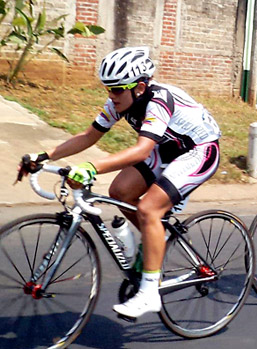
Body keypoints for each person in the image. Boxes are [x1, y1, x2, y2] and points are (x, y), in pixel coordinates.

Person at [18, 46, 221, 319]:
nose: (110, 96)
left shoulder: (159, 100)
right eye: (107, 89)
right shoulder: (120, 101)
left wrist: (92, 166)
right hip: (167, 148)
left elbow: (141, 150)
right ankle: (155, 237)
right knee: (120, 192)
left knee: (149, 209)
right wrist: (43, 156)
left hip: (198, 150)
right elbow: (89, 136)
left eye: (116, 90)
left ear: (138, 87)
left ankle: (149, 294)